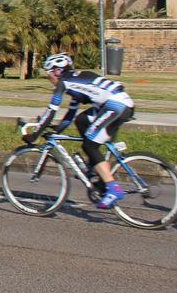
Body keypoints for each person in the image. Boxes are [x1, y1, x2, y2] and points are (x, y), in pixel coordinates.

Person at [24, 53, 135, 209]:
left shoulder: (64, 82)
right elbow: (70, 115)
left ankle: (113, 189)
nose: (49, 79)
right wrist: (57, 129)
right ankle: (95, 170)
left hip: (115, 106)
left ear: (57, 71)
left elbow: (52, 110)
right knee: (82, 121)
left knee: (89, 145)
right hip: (120, 104)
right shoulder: (75, 82)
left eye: (49, 74)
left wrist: (35, 135)